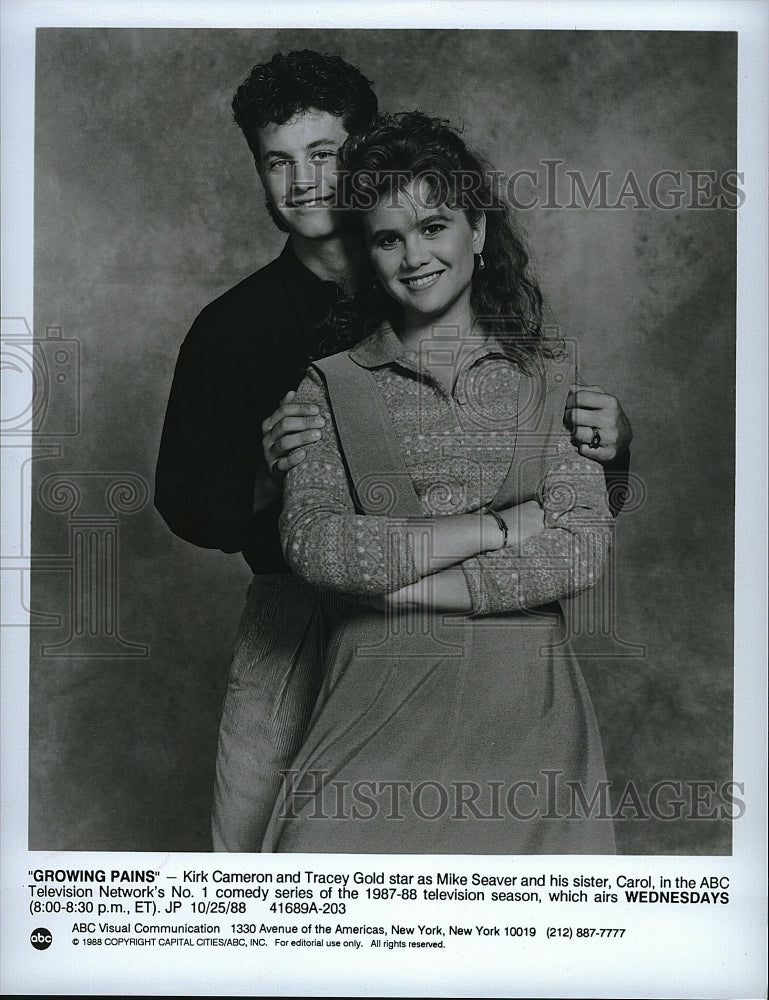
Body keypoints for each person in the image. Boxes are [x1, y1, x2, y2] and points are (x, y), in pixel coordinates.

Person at [154, 51, 632, 853]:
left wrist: (611, 446)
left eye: (323, 155)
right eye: (277, 162)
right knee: (257, 864)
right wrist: (266, 476)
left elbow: (564, 508)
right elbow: (187, 496)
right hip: (301, 618)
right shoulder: (232, 328)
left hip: (484, 636)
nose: (303, 181)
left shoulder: (476, 305)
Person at [262, 112, 618, 854]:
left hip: (529, 723)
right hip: (373, 709)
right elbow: (318, 546)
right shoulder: (328, 386)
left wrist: (408, 586)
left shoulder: (550, 378)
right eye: (389, 238)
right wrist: (496, 528)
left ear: (478, 232)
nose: (413, 255)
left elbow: (582, 549)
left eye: (434, 226)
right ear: (367, 251)